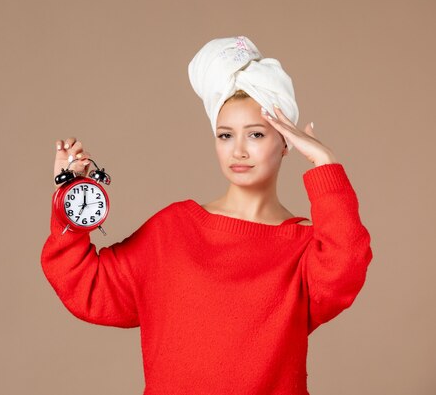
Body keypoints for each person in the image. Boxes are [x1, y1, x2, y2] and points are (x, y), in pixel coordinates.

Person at [41, 36, 373, 395]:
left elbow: (347, 263)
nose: (239, 151)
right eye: (225, 135)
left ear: (285, 142)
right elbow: (86, 284)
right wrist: (71, 195)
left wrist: (325, 165)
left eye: (257, 134)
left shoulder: (305, 251)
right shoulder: (174, 229)